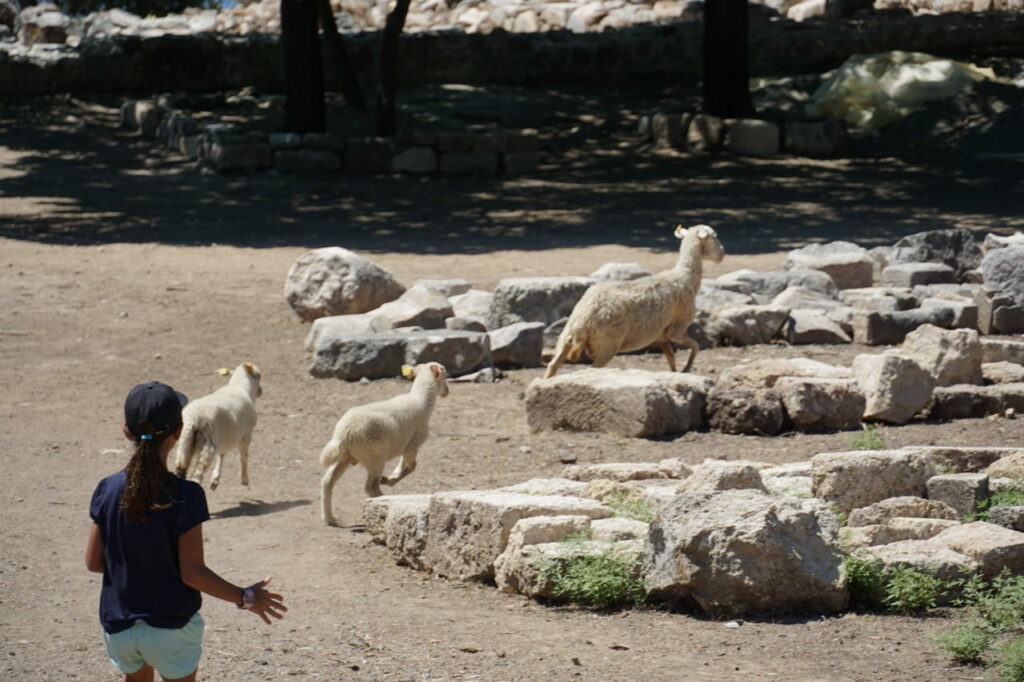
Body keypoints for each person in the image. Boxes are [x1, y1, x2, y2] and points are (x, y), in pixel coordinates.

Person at [85, 381, 286, 682]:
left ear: (126, 431)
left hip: (119, 627)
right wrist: (245, 597)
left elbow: (94, 562)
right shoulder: (186, 495)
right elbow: (192, 572)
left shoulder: (107, 489)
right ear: (178, 433)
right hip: (171, 629)